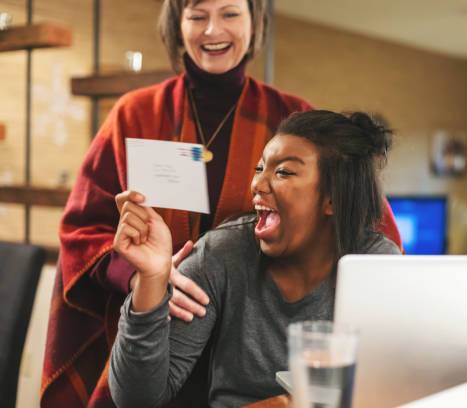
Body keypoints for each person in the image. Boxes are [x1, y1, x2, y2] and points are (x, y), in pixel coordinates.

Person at [41, 1, 402, 406]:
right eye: (197, 16)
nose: (213, 30)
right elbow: (82, 228)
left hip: (254, 345)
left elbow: (367, 224)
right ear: (177, 25)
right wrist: (148, 281)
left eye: (230, 14)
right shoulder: (136, 115)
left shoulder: (292, 117)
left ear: (255, 23)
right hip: (162, 328)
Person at [108, 110, 402, 407]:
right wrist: (151, 279)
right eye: (259, 168)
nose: (257, 184)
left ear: (333, 198)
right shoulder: (221, 253)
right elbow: (136, 400)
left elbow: (392, 386)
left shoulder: (376, 264)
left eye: (283, 172)